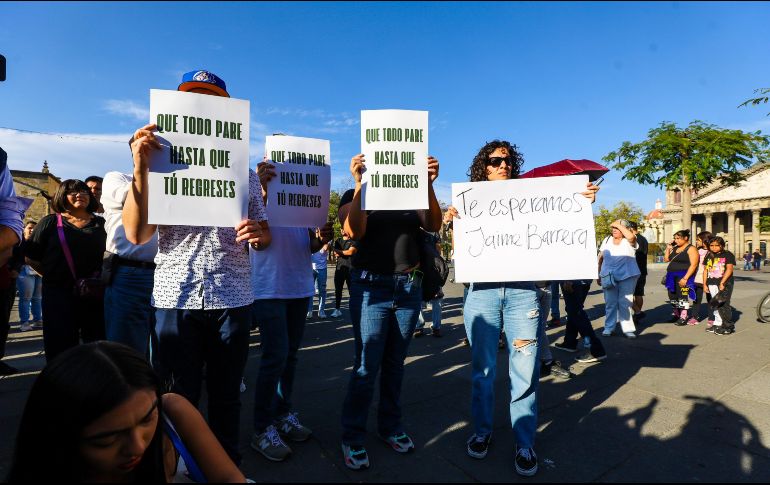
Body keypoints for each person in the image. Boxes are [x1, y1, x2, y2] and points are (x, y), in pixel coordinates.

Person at [122, 69, 271, 464]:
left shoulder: (246, 174)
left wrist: (259, 231)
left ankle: (226, 468)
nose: (202, 102)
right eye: (193, 95)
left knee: (226, 395)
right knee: (173, 398)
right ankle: (176, 469)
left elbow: (265, 233)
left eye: (211, 96)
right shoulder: (156, 163)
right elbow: (137, 234)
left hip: (233, 295)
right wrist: (140, 169)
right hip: (176, 297)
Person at [444, 140, 599, 477]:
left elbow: (561, 225)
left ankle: (524, 441)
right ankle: (482, 432)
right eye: (496, 160)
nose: (504, 165)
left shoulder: (533, 197)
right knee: (482, 372)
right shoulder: (468, 202)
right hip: (481, 295)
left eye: (509, 160)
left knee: (524, 371)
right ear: (482, 166)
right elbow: (462, 253)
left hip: (523, 296)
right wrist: (452, 221)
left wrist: (582, 202)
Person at [7, 341, 245, 483]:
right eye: (108, 439)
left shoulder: (173, 412)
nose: (137, 446)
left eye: (148, 418)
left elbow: (230, 478)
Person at [338, 152, 443, 470]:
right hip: (371, 286)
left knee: (395, 364)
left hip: (409, 287)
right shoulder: (355, 192)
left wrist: (427, 183)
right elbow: (353, 232)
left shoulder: (413, 190)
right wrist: (359, 186)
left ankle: (390, 427)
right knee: (366, 367)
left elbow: (433, 224)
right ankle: (353, 436)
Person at [249, 158, 333, 462]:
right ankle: (262, 427)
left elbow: (309, 244)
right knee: (275, 356)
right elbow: (253, 233)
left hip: (299, 286)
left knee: (291, 356)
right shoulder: (256, 192)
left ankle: (283, 414)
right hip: (269, 286)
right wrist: (262, 188)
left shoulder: (303, 199)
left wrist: (321, 237)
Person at [24, 179, 106, 362]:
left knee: (96, 345)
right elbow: (30, 256)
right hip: (58, 294)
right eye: (73, 192)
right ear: (62, 196)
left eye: (84, 191)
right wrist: (51, 275)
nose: (80, 195)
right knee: (59, 345)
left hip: (92, 294)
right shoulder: (50, 222)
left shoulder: (101, 224)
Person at [102, 172, 159, 356]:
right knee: (127, 348)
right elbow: (131, 195)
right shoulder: (116, 178)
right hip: (129, 274)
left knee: (165, 345)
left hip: (168, 272)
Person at [597, 220, 640, 338]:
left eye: (618, 228)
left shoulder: (629, 240)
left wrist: (618, 224)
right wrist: (598, 273)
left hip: (627, 275)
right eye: (613, 228)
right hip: (608, 275)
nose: (615, 230)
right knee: (610, 303)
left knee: (625, 302)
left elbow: (631, 237)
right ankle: (609, 328)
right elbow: (600, 258)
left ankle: (628, 329)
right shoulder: (607, 240)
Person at [553, 278, 608, 363]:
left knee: (576, 313)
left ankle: (596, 350)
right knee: (573, 310)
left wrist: (568, 280)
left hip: (573, 280)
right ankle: (569, 342)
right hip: (583, 280)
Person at [663, 230, 700, 326]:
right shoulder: (675, 248)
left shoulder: (691, 249)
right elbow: (667, 259)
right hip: (671, 276)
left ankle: (683, 316)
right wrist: (668, 248)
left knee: (682, 296)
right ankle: (676, 314)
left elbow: (694, 265)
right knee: (672, 296)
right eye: (675, 238)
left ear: (686, 238)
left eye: (678, 238)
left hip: (683, 276)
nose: (676, 240)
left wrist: (685, 278)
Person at [414, 230, 444, 338]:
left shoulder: (434, 232)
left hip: (432, 269)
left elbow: (438, 249)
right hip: (416, 270)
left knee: (437, 298)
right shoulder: (413, 227)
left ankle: (436, 327)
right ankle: (419, 326)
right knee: (416, 297)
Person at [704, 237, 736, 335]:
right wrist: (705, 284)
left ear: (722, 245)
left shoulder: (727, 254)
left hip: (724, 283)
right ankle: (718, 323)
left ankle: (727, 326)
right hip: (711, 283)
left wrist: (722, 282)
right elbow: (706, 270)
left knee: (723, 304)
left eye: (716, 245)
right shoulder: (709, 255)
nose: (714, 248)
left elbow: (729, 269)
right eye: (711, 245)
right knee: (715, 304)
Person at [16, 221, 43, 332]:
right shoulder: (19, 242)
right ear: (24, 229)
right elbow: (14, 256)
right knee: (26, 298)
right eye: (30, 228)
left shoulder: (39, 242)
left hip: (38, 272)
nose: (32, 230)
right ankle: (24, 322)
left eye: (34, 228)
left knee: (37, 298)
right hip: (24, 271)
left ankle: (37, 320)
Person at [331, 232, 357, 318]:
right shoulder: (338, 240)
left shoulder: (353, 240)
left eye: (343, 228)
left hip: (351, 269)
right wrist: (343, 252)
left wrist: (340, 252)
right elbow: (336, 253)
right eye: (341, 228)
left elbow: (350, 252)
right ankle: (337, 309)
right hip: (340, 269)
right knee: (338, 290)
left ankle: (354, 309)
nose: (342, 230)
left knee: (352, 291)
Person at [627, 221, 648, 323]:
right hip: (642, 270)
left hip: (633, 271)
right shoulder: (643, 239)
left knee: (626, 294)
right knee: (639, 294)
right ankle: (637, 315)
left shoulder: (633, 239)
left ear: (630, 229)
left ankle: (637, 312)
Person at [690, 231, 712, 325]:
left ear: (705, 240)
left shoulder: (712, 251)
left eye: (698, 240)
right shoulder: (697, 250)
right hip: (697, 278)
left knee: (710, 299)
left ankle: (711, 318)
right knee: (696, 299)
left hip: (709, 278)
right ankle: (695, 317)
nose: (696, 241)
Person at [308, 239, 330, 318]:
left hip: (322, 269)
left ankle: (321, 310)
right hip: (311, 268)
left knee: (322, 290)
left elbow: (326, 248)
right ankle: (309, 310)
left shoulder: (325, 237)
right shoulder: (310, 237)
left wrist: (320, 238)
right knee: (310, 290)